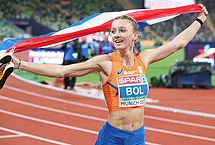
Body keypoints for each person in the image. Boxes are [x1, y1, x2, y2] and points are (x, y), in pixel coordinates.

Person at [11, 4, 208, 145]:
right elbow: (62, 71)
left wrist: (200, 19)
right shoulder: (105, 62)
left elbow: (179, 43)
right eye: (113, 31)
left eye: (122, 30)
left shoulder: (145, 58)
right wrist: (20, 64)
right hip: (112, 137)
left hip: (137, 136)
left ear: (135, 35)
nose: (116, 35)